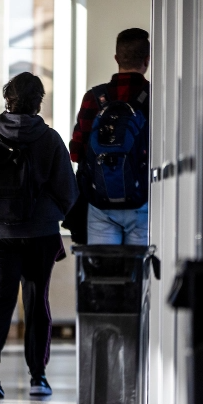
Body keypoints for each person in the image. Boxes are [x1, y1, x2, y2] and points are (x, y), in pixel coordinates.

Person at [0, 72, 77, 398]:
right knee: (36, 298)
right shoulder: (50, 139)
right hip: (39, 233)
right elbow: (68, 191)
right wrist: (49, 215)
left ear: (7, 99)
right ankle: (38, 376)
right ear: (38, 102)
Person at [70, 28, 151, 245]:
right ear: (147, 59)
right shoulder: (156, 96)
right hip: (142, 199)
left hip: (100, 201)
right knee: (141, 271)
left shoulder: (94, 98)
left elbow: (76, 153)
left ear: (116, 58)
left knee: (102, 270)